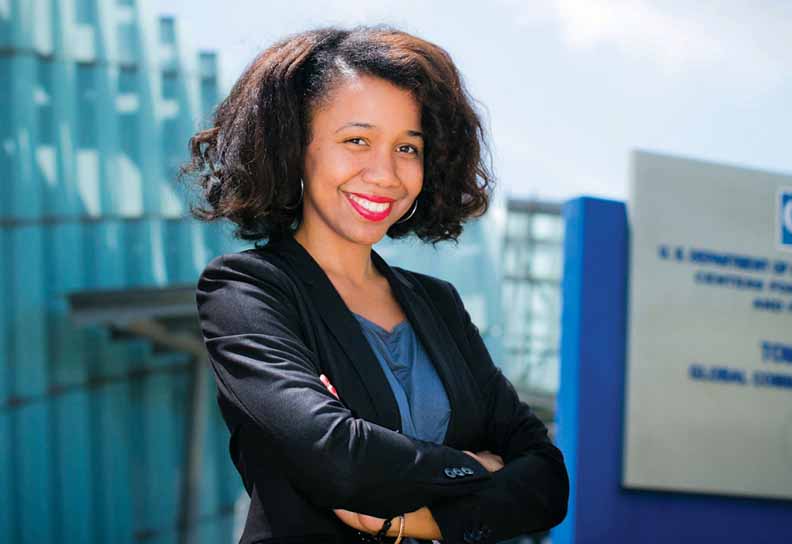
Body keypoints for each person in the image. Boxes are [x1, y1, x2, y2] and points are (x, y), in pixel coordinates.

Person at [184, 25, 569, 544]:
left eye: (408, 148)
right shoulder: (248, 290)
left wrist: (415, 522)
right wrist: (474, 468)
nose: (385, 174)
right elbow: (336, 457)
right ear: (296, 147)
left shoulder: (437, 303)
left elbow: (547, 479)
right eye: (357, 140)